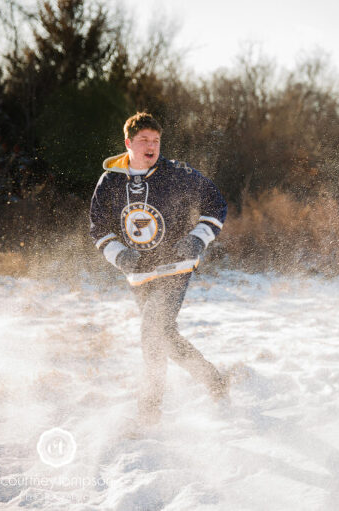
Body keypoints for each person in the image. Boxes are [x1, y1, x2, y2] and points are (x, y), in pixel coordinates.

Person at [89, 112, 229, 426]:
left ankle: (149, 412)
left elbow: (216, 203)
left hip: (175, 268)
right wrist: (119, 255)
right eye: (144, 140)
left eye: (156, 140)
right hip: (139, 275)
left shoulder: (177, 173)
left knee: (151, 333)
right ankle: (214, 381)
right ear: (128, 143)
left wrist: (197, 238)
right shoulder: (110, 180)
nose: (152, 146)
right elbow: (98, 228)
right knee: (165, 336)